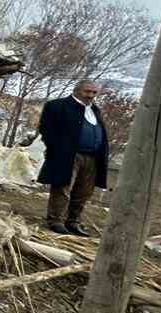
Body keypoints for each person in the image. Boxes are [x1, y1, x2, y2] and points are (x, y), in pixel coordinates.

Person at [35, 79, 108, 237]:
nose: (91, 95)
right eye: (87, 91)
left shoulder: (95, 110)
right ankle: (56, 221)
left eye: (94, 92)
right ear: (76, 90)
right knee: (63, 187)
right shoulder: (57, 106)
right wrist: (57, 149)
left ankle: (73, 221)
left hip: (92, 157)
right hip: (68, 155)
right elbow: (46, 128)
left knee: (84, 191)